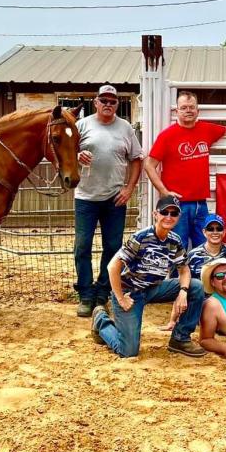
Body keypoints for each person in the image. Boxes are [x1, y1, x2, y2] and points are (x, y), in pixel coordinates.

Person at [145, 91, 226, 248]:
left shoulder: (206, 129)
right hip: (177, 205)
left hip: (201, 204)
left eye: (191, 107)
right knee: (176, 248)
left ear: (197, 111)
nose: (188, 111)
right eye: (184, 107)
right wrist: (164, 191)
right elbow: (149, 164)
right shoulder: (167, 136)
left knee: (204, 249)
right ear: (177, 111)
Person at [91, 195, 207, 359]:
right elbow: (112, 267)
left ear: (178, 217)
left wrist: (183, 291)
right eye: (164, 212)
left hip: (154, 288)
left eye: (174, 213)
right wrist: (121, 298)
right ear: (155, 214)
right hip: (130, 293)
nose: (169, 217)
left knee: (195, 286)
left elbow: (184, 269)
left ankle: (180, 338)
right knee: (128, 351)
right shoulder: (141, 237)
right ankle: (101, 322)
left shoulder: (175, 240)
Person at [73, 84, 144, 317]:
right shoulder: (81, 125)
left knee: (113, 247)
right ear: (95, 102)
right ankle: (85, 295)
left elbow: (136, 159)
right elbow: (64, 152)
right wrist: (76, 155)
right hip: (85, 197)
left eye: (112, 101)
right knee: (82, 246)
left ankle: (103, 292)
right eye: (103, 100)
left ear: (117, 104)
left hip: (115, 198)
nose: (107, 104)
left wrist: (129, 188)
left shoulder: (125, 128)